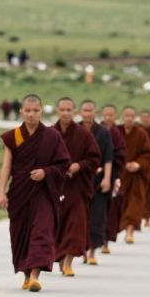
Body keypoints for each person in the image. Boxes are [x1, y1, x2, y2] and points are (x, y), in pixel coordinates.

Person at [0, 95, 69, 291]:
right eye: (27, 111)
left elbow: (63, 164)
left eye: (35, 111)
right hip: (19, 191)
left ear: (41, 112)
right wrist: (2, 192)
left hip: (44, 192)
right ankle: (27, 274)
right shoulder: (13, 136)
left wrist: (46, 172)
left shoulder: (52, 136)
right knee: (21, 233)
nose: (31, 115)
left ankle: (36, 275)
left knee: (42, 231)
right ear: (21, 112)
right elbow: (6, 167)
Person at [52, 98, 100, 276]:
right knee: (57, 226)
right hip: (55, 188)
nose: (65, 113)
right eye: (62, 109)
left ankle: (69, 262)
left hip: (77, 189)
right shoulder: (50, 133)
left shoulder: (84, 135)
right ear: (57, 110)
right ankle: (61, 256)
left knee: (75, 226)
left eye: (69, 110)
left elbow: (95, 158)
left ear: (74, 112)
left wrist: (78, 166)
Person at [79, 100, 113, 266]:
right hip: (78, 180)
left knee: (97, 216)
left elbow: (108, 158)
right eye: (85, 111)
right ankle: (82, 250)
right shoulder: (75, 130)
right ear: (80, 112)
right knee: (78, 218)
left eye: (90, 111)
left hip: (98, 179)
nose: (88, 114)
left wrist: (107, 178)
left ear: (95, 112)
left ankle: (92, 251)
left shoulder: (103, 132)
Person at [118, 107, 150, 245]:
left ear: (135, 117)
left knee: (135, 203)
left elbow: (148, 154)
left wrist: (138, 164)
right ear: (122, 116)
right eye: (126, 115)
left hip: (136, 176)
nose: (129, 118)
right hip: (119, 174)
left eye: (132, 116)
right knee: (119, 204)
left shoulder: (141, 133)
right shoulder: (116, 131)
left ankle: (130, 230)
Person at [101, 104, 125, 254]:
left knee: (110, 208)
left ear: (115, 116)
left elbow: (122, 153)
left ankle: (105, 241)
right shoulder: (97, 131)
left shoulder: (117, 133)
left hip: (113, 174)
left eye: (111, 115)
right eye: (106, 115)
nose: (108, 118)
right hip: (93, 175)